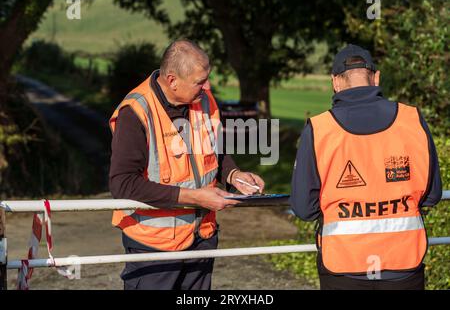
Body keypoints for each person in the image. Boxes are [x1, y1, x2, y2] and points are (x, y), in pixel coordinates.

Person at [109, 39, 265, 290]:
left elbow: (216, 151)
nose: (208, 86)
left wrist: (235, 175)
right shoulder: (136, 112)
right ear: (172, 80)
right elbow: (123, 184)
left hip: (202, 238)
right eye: (200, 81)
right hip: (154, 248)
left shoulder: (204, 100)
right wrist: (196, 197)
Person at [289, 44, 442, 290]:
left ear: (335, 82)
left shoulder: (319, 129)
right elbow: (432, 195)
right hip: (404, 265)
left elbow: (303, 208)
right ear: (376, 78)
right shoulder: (412, 120)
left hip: (343, 268)